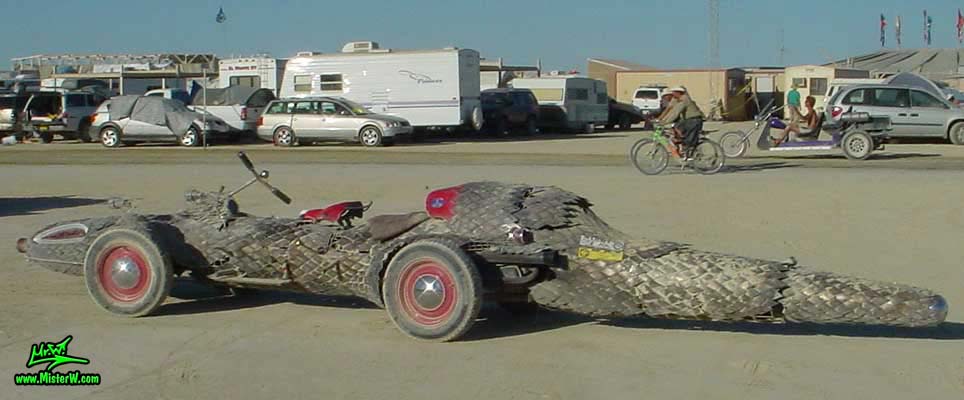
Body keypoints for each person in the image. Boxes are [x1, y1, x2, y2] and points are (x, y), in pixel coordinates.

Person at [658, 86, 705, 157]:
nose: (673, 94)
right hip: (689, 120)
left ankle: (686, 151)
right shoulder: (679, 99)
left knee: (680, 130)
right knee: (677, 129)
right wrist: (662, 120)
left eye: (674, 92)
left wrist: (664, 122)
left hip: (693, 120)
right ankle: (682, 146)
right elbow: (671, 111)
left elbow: (676, 112)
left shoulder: (684, 99)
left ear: (678, 93)